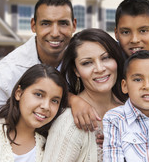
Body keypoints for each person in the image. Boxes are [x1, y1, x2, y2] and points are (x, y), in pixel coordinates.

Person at [0, 0, 99, 154]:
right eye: (46, 23)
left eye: (63, 23)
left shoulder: (83, 56)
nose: (55, 32)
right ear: (33, 25)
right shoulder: (8, 70)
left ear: (74, 25)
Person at [42, 28, 128, 162]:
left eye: (106, 58)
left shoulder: (131, 110)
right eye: (87, 63)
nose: (100, 69)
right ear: (76, 70)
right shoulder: (69, 122)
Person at [0, 64, 69, 162]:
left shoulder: (49, 143)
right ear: (18, 93)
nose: (46, 106)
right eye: (38, 94)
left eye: (55, 101)